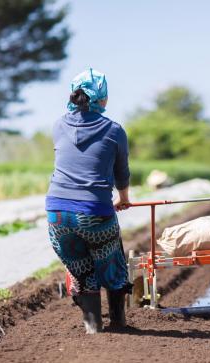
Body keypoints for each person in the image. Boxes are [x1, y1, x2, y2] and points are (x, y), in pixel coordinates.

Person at [46, 68, 132, 334]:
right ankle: (118, 323)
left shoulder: (59, 125)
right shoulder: (114, 130)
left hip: (56, 212)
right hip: (94, 211)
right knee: (112, 261)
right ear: (103, 99)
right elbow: (121, 173)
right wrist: (124, 198)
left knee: (81, 269)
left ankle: (93, 327)